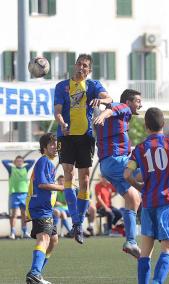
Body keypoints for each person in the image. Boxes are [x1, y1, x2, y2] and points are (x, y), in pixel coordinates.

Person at [124, 107, 169, 284]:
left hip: (148, 203)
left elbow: (127, 175)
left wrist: (138, 186)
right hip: (168, 201)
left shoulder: (139, 149)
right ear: (164, 124)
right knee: (167, 249)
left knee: (146, 252)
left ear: (146, 126)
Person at [54, 53, 112, 244]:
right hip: (66, 135)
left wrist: (101, 101)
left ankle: (78, 224)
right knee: (68, 174)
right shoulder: (62, 86)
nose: (81, 67)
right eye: (79, 64)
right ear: (75, 65)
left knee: (85, 179)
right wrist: (62, 123)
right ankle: (76, 221)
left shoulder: (93, 85)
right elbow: (58, 111)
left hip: (86, 136)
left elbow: (108, 98)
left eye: (85, 65)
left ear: (89, 70)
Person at [93, 89, 142, 258]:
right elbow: (112, 108)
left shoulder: (117, 118)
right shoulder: (123, 107)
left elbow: (109, 109)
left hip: (108, 166)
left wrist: (102, 115)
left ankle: (131, 241)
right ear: (128, 102)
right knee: (152, 172)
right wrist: (103, 114)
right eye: (137, 101)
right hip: (116, 161)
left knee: (133, 198)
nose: (140, 104)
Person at [25, 133, 64, 284]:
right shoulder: (44, 161)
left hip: (45, 209)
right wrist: (64, 188)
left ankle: (36, 273)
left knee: (53, 240)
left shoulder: (49, 163)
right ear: (44, 148)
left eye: (56, 145)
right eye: (52, 144)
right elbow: (42, 184)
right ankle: (34, 273)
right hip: (40, 208)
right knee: (45, 238)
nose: (55, 148)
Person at [2, 156, 35, 239]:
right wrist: (12, 161)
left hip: (24, 194)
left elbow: (32, 161)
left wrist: (24, 161)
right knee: (14, 214)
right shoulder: (11, 169)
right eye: (18, 161)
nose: (19, 162)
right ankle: (12, 232)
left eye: (21, 161)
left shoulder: (25, 168)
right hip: (14, 194)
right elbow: (4, 161)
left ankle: (24, 231)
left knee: (24, 214)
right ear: (15, 162)